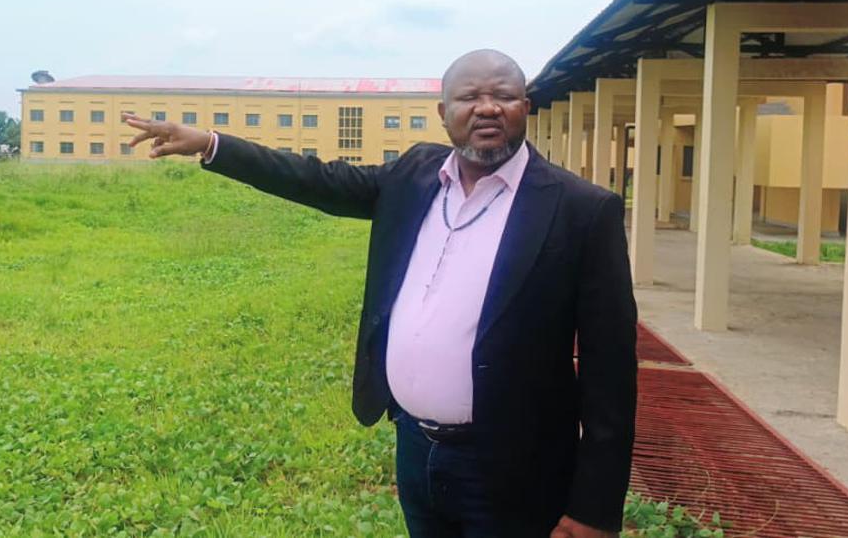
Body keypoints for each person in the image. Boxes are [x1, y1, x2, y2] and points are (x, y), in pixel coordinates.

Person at [123, 49, 637, 538]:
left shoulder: (580, 210)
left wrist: (594, 507)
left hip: (515, 467)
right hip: (415, 449)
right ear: (444, 113)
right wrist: (212, 144)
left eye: (503, 95)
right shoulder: (415, 174)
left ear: (525, 106)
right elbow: (317, 180)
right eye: (469, 97)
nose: (486, 107)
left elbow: (610, 372)